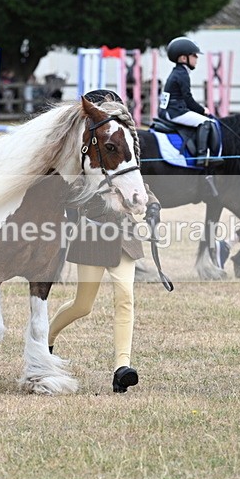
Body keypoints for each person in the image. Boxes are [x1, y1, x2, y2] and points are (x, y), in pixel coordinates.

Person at [48, 90, 161, 394]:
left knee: (125, 297)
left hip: (124, 236)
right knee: (82, 306)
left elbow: (136, 181)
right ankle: (46, 340)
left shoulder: (121, 148)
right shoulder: (87, 157)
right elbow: (70, 194)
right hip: (93, 237)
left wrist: (152, 204)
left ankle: (122, 368)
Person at [158, 37, 222, 166]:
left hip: (171, 110)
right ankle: (202, 156)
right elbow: (188, 98)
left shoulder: (178, 72)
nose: (197, 58)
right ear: (183, 58)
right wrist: (202, 110)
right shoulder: (182, 74)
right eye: (194, 55)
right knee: (206, 122)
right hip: (175, 112)